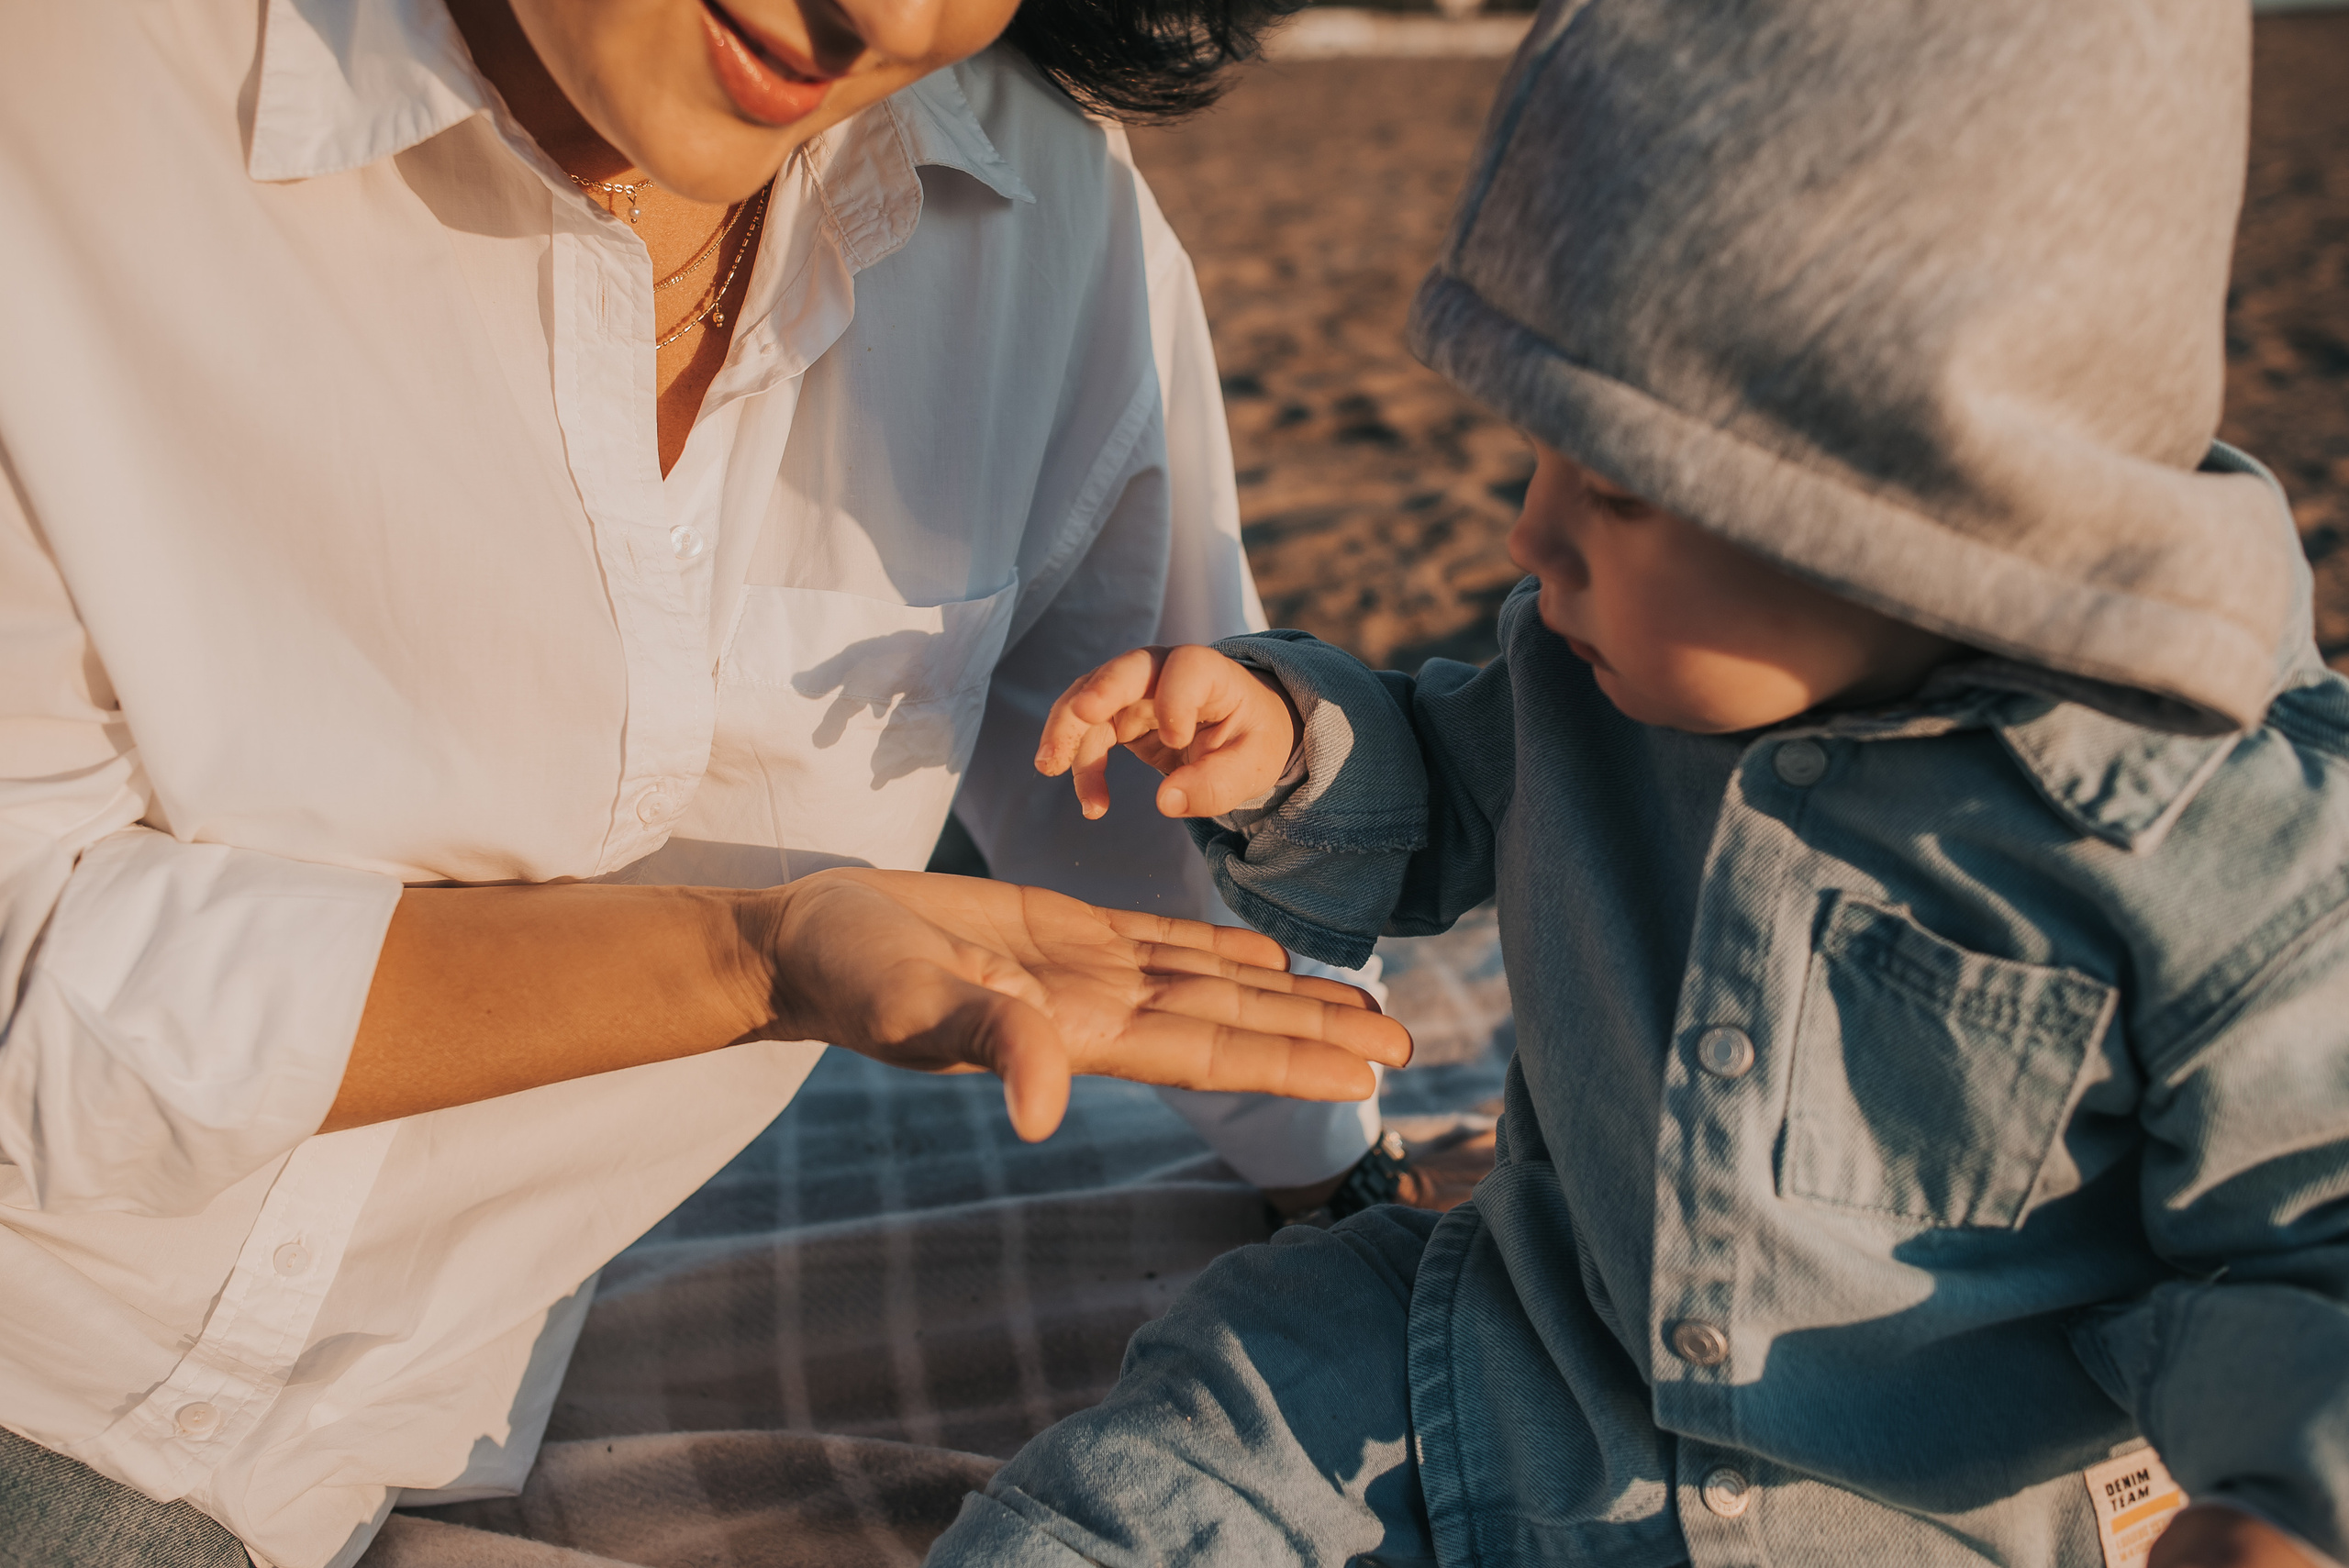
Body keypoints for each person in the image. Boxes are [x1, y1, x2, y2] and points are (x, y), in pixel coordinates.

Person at [922, 1, 2349, 1565]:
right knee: (1164, 1460)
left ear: (1929, 512)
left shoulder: (2230, 853)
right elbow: (1446, 796)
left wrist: (2287, 1503)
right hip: (1501, 1351)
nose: (1533, 540)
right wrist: (1282, 744)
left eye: (1609, 485)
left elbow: (2303, 1253)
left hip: (1908, 1503)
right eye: (1537, 456)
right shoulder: (1599, 663)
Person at [0, 0, 1419, 1562]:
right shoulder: (68, 97)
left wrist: (1338, 1180)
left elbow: (1124, 765)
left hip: (372, 1447)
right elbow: (26, 979)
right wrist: (742, 958)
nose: (884, 12)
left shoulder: (1038, 210)